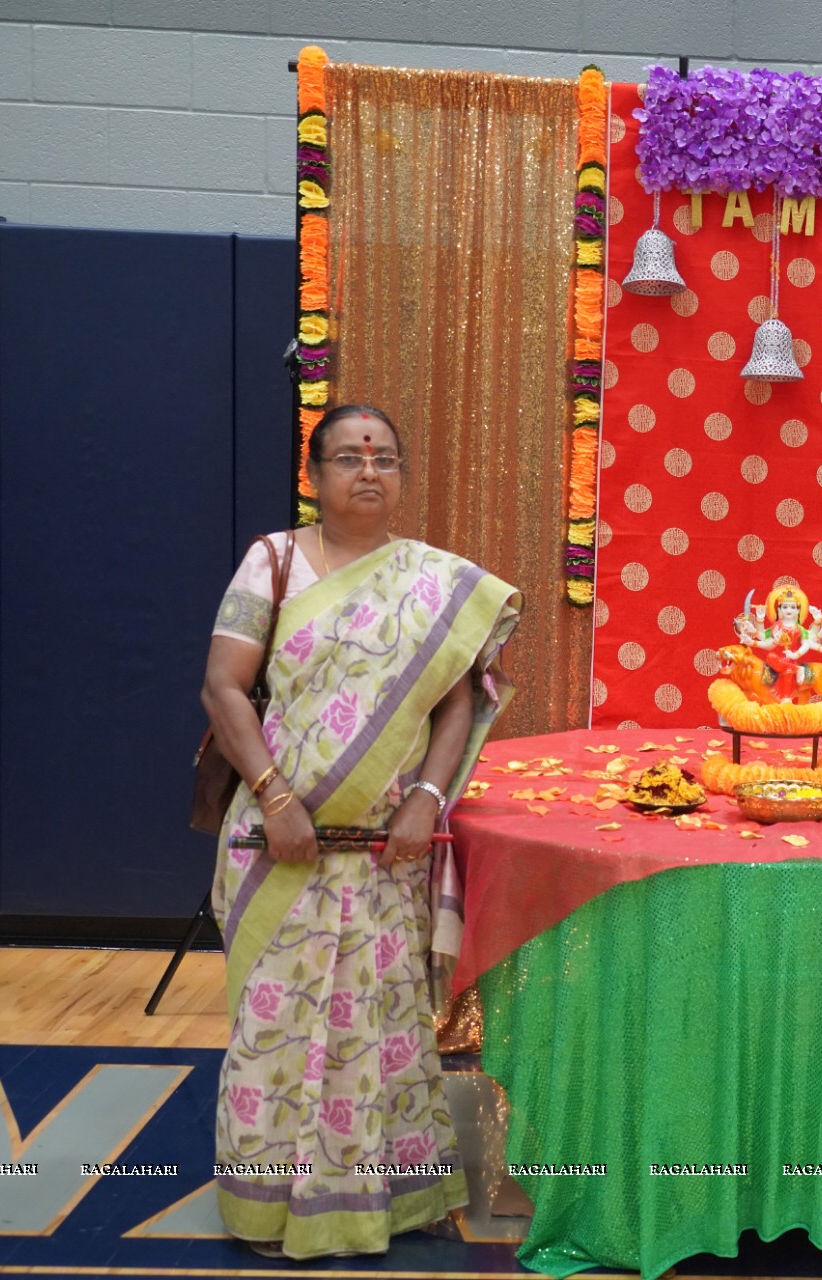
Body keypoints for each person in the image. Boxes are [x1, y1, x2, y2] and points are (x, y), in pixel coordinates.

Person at [200, 404, 523, 1259]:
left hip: (385, 853)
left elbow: (460, 698)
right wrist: (274, 798)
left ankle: (380, 1202)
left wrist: (426, 795)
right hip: (280, 849)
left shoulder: (433, 582)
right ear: (314, 476)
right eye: (347, 457)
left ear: (403, 475)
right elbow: (223, 689)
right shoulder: (271, 563)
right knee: (276, 1033)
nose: (367, 471)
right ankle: (271, 1208)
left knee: (377, 1028)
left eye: (383, 457)